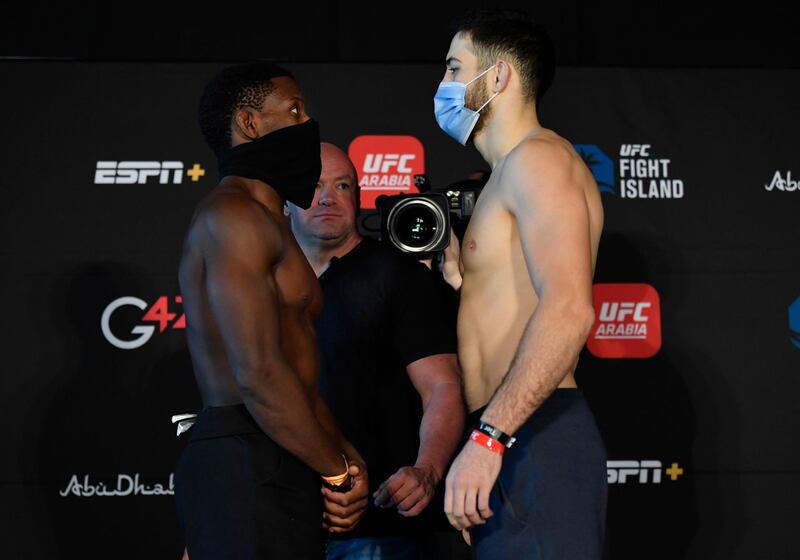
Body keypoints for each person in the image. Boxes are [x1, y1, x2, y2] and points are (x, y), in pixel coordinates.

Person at [174, 62, 369, 560]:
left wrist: (340, 448)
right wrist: (336, 472)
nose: (308, 126)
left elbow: (292, 368)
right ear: (250, 124)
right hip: (243, 455)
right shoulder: (232, 214)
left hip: (278, 450)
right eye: (295, 111)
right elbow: (258, 374)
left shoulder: (269, 220)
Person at [433, 10, 608, 559]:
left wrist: (489, 441)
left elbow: (569, 308)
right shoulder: (504, 176)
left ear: (500, 77)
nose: (445, 86)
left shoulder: (538, 159)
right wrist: (462, 276)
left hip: (533, 432)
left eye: (455, 68)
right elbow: (514, 301)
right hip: (507, 435)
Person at [287, 142, 468, 559]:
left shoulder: (398, 276)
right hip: (284, 522)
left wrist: (427, 469)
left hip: (381, 526)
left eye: (343, 185)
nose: (328, 197)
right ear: (285, 202)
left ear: (359, 196)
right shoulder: (265, 284)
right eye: (313, 186)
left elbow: (442, 386)